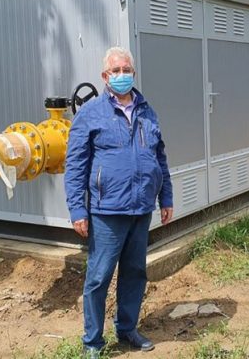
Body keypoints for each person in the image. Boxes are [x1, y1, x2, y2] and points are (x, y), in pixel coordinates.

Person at [64, 46, 173, 357]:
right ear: (105, 76)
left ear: (133, 73)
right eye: (116, 71)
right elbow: (75, 166)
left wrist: (166, 197)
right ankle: (93, 342)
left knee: (135, 272)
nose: (122, 75)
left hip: (141, 208)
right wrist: (77, 209)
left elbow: (159, 158)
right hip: (107, 211)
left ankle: (127, 330)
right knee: (99, 277)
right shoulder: (90, 114)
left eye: (126, 70)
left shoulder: (147, 111)